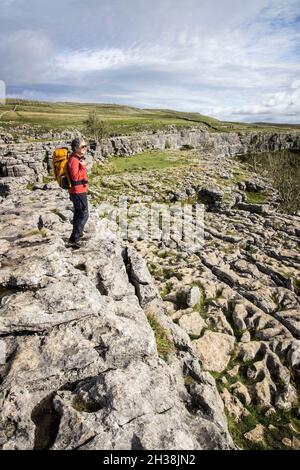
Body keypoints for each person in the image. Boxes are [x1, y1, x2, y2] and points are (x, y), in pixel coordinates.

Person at [67, 137, 89, 247]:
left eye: (85, 146)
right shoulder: (73, 160)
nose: (85, 148)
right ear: (76, 148)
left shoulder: (76, 158)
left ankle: (76, 235)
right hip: (77, 191)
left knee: (78, 213)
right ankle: (74, 239)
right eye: (83, 146)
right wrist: (83, 167)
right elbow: (75, 177)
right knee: (84, 214)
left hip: (79, 190)